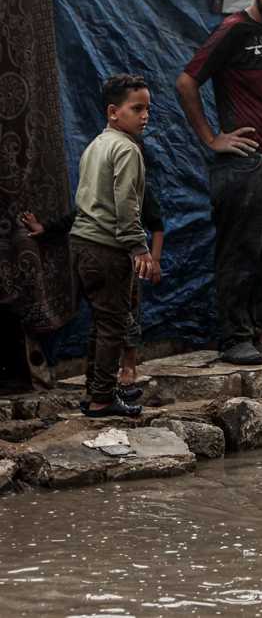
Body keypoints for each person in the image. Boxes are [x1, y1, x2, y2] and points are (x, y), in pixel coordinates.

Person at [176, 0, 262, 366]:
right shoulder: (234, 29)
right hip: (247, 162)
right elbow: (186, 81)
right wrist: (212, 138)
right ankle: (233, 338)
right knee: (240, 252)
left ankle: (253, 331)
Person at [20, 153, 164, 401]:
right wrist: (45, 229)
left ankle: (123, 370)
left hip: (126, 259)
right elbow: (76, 217)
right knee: (106, 321)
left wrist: (153, 259)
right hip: (100, 257)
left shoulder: (137, 189)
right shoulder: (98, 192)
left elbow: (155, 225)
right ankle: (99, 388)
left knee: (124, 317)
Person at [55, 75, 158, 417]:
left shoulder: (96, 145)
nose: (145, 116)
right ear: (114, 112)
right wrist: (139, 247)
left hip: (81, 245)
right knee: (113, 325)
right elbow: (126, 203)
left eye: (147, 109)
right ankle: (102, 399)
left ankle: (95, 392)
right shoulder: (126, 149)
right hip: (106, 248)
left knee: (101, 324)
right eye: (137, 109)